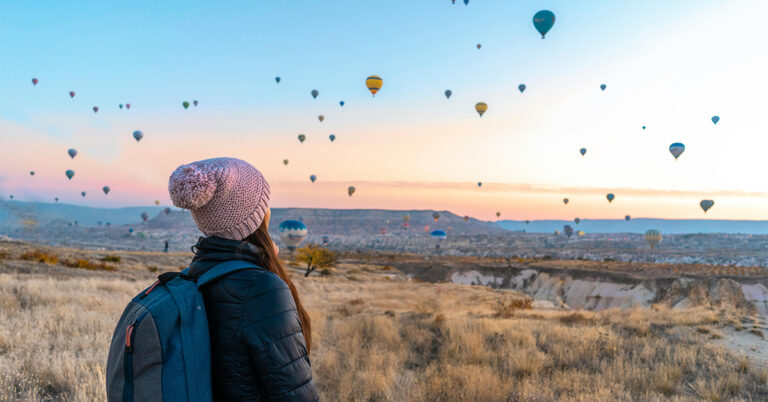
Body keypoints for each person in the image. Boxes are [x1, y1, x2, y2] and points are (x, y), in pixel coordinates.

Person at [168, 157, 318, 401]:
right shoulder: (261, 288)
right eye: (264, 202)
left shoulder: (194, 275)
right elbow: (296, 394)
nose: (268, 209)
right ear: (256, 215)